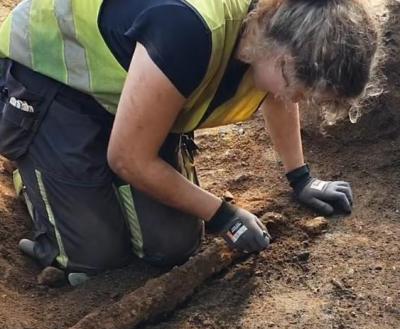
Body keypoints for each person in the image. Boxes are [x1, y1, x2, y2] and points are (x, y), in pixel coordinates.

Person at [0, 0, 378, 285]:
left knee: (171, 246)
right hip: (51, 74)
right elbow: (128, 158)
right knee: (93, 259)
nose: (299, 99)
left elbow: (277, 95)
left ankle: (79, 176)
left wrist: (301, 177)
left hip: (122, 86)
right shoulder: (190, 33)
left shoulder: (270, 28)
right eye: (301, 87)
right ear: (279, 53)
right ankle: (37, 173)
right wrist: (224, 215)